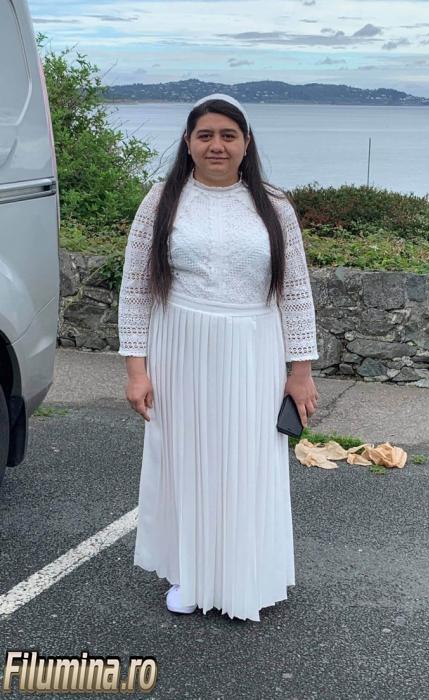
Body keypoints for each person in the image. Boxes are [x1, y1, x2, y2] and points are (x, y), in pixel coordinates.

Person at [117, 93, 319, 622]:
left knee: (247, 460)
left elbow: (295, 291)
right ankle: (191, 573)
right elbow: (136, 289)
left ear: (246, 143)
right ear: (188, 142)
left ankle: (244, 575)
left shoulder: (274, 205)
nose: (216, 145)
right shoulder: (161, 200)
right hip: (178, 345)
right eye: (205, 135)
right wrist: (136, 370)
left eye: (228, 135)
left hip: (254, 348)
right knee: (185, 459)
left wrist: (300, 371)